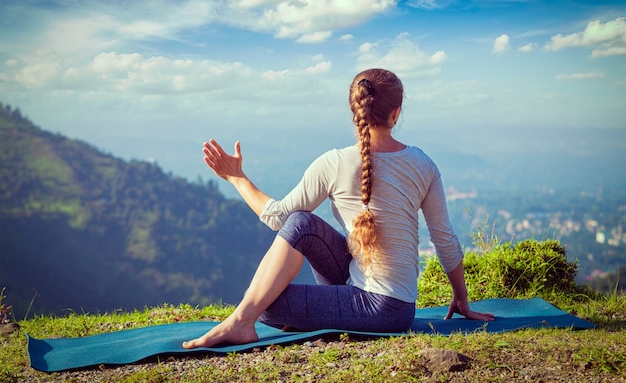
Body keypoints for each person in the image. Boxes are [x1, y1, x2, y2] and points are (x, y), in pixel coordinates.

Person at [182, 68, 494, 349]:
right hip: (397, 304)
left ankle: (242, 322)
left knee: (266, 304)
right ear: (396, 114)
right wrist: (462, 300)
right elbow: (444, 239)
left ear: (354, 110)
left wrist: (238, 179)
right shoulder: (423, 163)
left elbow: (276, 216)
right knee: (302, 223)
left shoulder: (334, 162)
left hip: (381, 309)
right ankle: (257, 318)